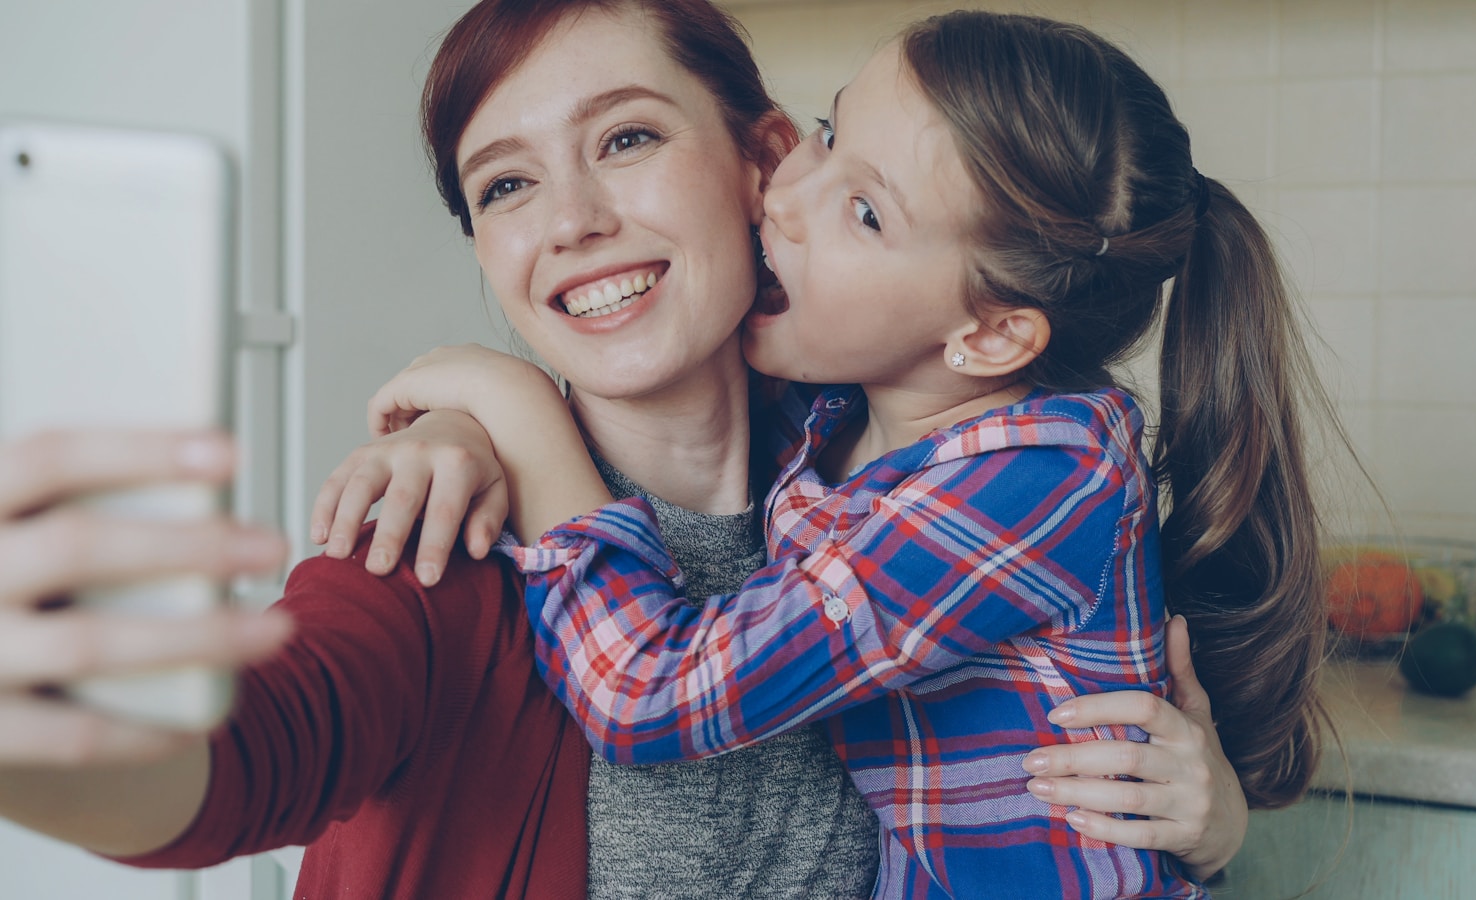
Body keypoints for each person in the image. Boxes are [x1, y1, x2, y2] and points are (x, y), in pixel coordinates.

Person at [0, 1, 1246, 897]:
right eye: (504, 187)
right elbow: (240, 765)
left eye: (627, 139)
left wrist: (1208, 825)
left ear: (761, 165)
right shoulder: (446, 532)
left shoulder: (882, 471)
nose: (575, 224)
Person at [335, 6, 1333, 898]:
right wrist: (457, 432)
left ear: (987, 337)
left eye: (863, 212)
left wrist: (515, 412)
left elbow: (650, 694)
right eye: (826, 137)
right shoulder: (836, 419)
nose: (785, 196)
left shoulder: (1033, 480)